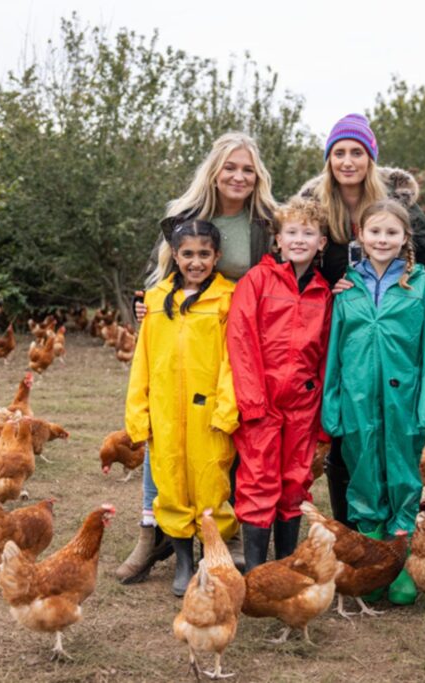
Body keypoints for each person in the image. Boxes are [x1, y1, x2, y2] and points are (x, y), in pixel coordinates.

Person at [117, 132, 277, 584]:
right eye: (231, 167)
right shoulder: (184, 217)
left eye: (247, 169)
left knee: (225, 439)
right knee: (166, 439)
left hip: (237, 334)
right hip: (185, 330)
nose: (239, 176)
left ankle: (225, 534)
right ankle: (152, 533)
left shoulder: (264, 223)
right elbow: (159, 274)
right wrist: (146, 306)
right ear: (215, 170)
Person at [296, 113, 425, 530]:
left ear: (370, 158)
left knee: (398, 455)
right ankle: (357, 533)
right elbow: (295, 255)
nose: (347, 161)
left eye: (357, 152)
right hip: (343, 321)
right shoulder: (316, 207)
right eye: (339, 153)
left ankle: (399, 535)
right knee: (351, 450)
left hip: (393, 343)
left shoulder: (399, 210)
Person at [321, 199, 425, 606]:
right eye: (375, 231)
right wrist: (332, 402)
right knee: (363, 474)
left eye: (391, 232)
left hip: (403, 399)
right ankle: (373, 562)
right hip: (356, 399)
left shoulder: (421, 286)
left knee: (403, 475)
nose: (382, 239)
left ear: (405, 237)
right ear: (361, 235)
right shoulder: (347, 287)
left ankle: (402, 559)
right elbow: (335, 350)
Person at [125, 219, 239, 597]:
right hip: (165, 412)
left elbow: (233, 360)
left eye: (204, 254)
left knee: (210, 484)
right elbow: (142, 360)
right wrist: (138, 412)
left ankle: (212, 556)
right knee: (170, 484)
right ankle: (183, 560)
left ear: (216, 256)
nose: (196, 262)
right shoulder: (156, 300)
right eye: (187, 254)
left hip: (209, 411)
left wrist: (227, 409)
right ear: (175, 255)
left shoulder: (227, 299)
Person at [227, 197, 332, 572]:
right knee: (258, 481)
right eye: (292, 232)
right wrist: (253, 402)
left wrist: (321, 411)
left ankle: (285, 570)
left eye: (309, 233)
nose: (299, 239)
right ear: (278, 239)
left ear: (321, 242)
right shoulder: (258, 281)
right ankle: (256, 573)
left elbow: (326, 353)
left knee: (296, 482)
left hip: (303, 405)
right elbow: (241, 341)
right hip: (262, 402)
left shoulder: (324, 292)